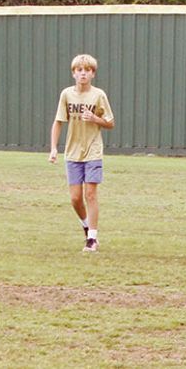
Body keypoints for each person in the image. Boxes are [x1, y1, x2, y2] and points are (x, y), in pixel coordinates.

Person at [49, 54, 115, 252]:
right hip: (72, 152)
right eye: (79, 70)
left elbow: (110, 122)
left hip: (93, 151)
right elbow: (58, 121)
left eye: (87, 70)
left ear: (93, 74)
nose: (83, 73)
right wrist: (54, 148)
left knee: (90, 193)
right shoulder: (66, 95)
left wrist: (95, 118)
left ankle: (92, 239)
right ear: (73, 73)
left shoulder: (98, 95)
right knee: (75, 198)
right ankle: (86, 225)